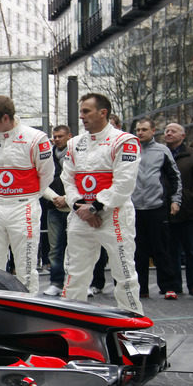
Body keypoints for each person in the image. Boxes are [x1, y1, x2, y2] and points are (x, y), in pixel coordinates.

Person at [61, 93, 143, 314]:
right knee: (75, 273)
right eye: (81, 111)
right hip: (80, 215)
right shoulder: (74, 143)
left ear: (103, 112)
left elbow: (124, 183)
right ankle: (71, 322)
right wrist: (79, 206)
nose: (82, 116)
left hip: (113, 214)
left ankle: (133, 323)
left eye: (86, 111)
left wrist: (96, 207)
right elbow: (67, 179)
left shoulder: (125, 141)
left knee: (124, 272)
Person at [0, 95, 54, 293]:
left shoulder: (36, 138)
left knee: (26, 267)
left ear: (6, 118)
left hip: (23, 206)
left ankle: (29, 311)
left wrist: (27, 195)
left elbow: (47, 174)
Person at [132, 119, 182, 300]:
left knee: (162, 248)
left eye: (144, 129)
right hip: (135, 207)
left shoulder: (162, 150)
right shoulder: (131, 150)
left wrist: (176, 200)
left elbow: (175, 177)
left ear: (153, 130)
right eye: (138, 130)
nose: (140, 133)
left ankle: (169, 287)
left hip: (157, 206)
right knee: (138, 251)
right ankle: (141, 288)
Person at [164, 122, 193, 296]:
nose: (168, 133)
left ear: (182, 136)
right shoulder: (163, 155)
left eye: (173, 131)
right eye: (167, 130)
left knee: (191, 250)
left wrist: (190, 196)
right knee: (172, 251)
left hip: (189, 211)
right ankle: (175, 285)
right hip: (168, 210)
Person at [41, 125, 72, 296]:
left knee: (76, 247)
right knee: (55, 247)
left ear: (69, 136)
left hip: (75, 206)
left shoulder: (77, 153)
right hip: (53, 206)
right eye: (55, 136)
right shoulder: (47, 155)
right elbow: (41, 178)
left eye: (61, 136)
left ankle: (78, 283)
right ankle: (56, 282)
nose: (57, 139)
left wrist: (67, 198)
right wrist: (55, 198)